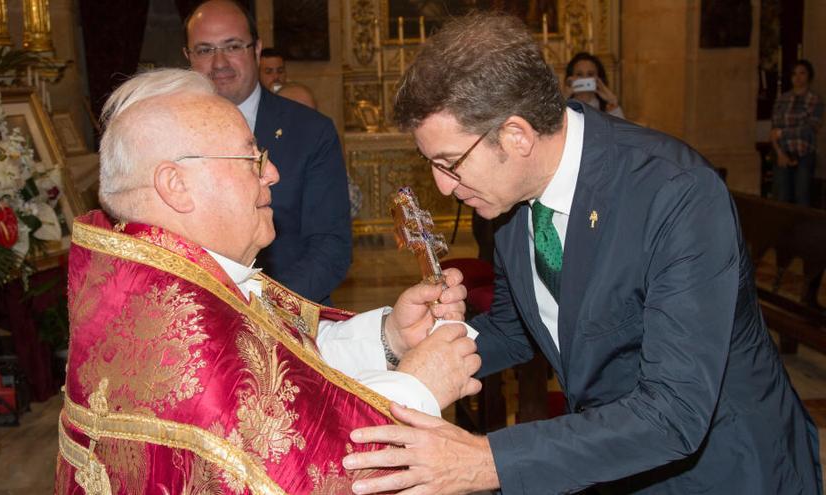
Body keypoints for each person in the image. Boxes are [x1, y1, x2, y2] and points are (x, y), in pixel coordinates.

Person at [342, 13, 822, 494]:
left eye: (449, 164)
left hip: (724, 470)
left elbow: (675, 412)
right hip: (609, 458)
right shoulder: (510, 202)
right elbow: (517, 330)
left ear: (517, 135)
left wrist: (487, 461)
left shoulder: (675, 195)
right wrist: (426, 346)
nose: (444, 187)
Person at [54, 68, 481, 494]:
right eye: (251, 158)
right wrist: (416, 387)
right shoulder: (182, 333)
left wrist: (388, 340)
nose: (272, 172)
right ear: (176, 186)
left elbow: (276, 374)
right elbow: (300, 472)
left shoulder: (161, 279)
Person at [185, 0, 350, 304]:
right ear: (188, 57)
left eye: (233, 46)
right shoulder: (170, 133)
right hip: (194, 318)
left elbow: (330, 246)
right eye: (205, 50)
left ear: (256, 50)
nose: (219, 62)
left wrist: (263, 307)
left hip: (289, 316)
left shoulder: (311, 132)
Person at [770, 59, 824, 206]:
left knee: (802, 195)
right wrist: (779, 152)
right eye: (794, 74)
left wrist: (784, 133)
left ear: (809, 76)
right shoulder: (782, 99)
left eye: (802, 73)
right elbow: (774, 130)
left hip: (804, 153)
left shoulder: (815, 100)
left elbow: (810, 129)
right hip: (783, 152)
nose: (798, 78)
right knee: (782, 197)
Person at [563, 51, 624, 118]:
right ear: (570, 78)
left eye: (590, 74)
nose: (585, 78)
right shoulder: (565, 105)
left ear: (599, 78)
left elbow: (622, 128)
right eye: (579, 74)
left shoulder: (608, 108)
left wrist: (613, 102)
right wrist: (562, 100)